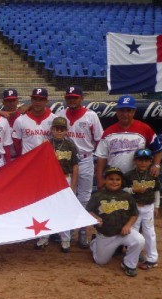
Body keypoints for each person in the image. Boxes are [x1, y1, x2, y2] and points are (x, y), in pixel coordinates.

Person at [56, 86, 104, 249]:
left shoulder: (91, 116)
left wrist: (97, 160)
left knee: (84, 198)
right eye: (69, 97)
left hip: (85, 159)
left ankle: (82, 231)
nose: (72, 100)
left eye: (75, 97)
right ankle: (67, 232)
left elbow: (99, 140)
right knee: (67, 197)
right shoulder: (61, 115)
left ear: (81, 98)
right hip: (65, 162)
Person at [95, 95, 162, 190]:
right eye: (122, 110)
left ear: (134, 111)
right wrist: (99, 178)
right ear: (117, 112)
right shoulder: (108, 132)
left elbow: (158, 150)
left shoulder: (145, 129)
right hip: (115, 178)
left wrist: (156, 165)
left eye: (128, 110)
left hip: (137, 178)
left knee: (137, 204)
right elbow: (101, 158)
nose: (125, 114)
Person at [86, 167, 144, 277]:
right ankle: (94, 243)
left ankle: (129, 265)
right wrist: (96, 217)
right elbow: (88, 211)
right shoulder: (98, 196)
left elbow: (134, 214)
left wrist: (128, 225)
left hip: (123, 233)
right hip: (107, 234)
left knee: (139, 240)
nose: (114, 182)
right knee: (101, 261)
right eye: (111, 179)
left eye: (118, 179)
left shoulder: (127, 196)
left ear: (121, 181)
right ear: (105, 180)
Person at [34, 117, 79, 253]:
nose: (59, 131)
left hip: (64, 178)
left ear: (66, 131)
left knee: (64, 209)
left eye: (62, 129)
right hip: (48, 180)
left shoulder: (70, 144)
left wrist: (74, 185)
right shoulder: (46, 143)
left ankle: (65, 239)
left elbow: (75, 166)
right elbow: (40, 165)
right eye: (56, 129)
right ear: (52, 129)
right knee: (46, 208)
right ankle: (44, 237)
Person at [124, 149, 161, 270]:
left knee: (149, 233)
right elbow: (122, 190)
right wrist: (134, 190)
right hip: (134, 208)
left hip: (148, 207)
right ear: (135, 160)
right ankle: (133, 256)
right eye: (140, 160)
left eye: (146, 160)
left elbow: (156, 191)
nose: (143, 163)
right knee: (133, 232)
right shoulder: (129, 175)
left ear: (150, 161)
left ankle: (152, 258)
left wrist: (157, 206)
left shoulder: (153, 174)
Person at [12, 88, 57, 156]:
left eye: (41, 99)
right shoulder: (20, 120)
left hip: (46, 158)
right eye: (35, 99)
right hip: (28, 160)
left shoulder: (54, 119)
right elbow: (16, 143)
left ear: (46, 101)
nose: (37, 102)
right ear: (31, 100)